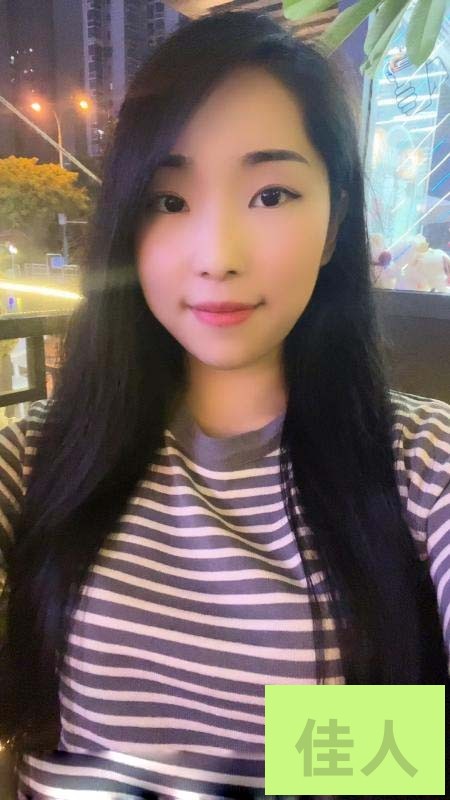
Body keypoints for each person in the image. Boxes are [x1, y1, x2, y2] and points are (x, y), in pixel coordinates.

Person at [0, 8, 448, 800]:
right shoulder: (38, 455)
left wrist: (297, 763)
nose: (217, 257)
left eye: (271, 194)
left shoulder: (419, 464)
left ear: (336, 222)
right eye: (169, 201)